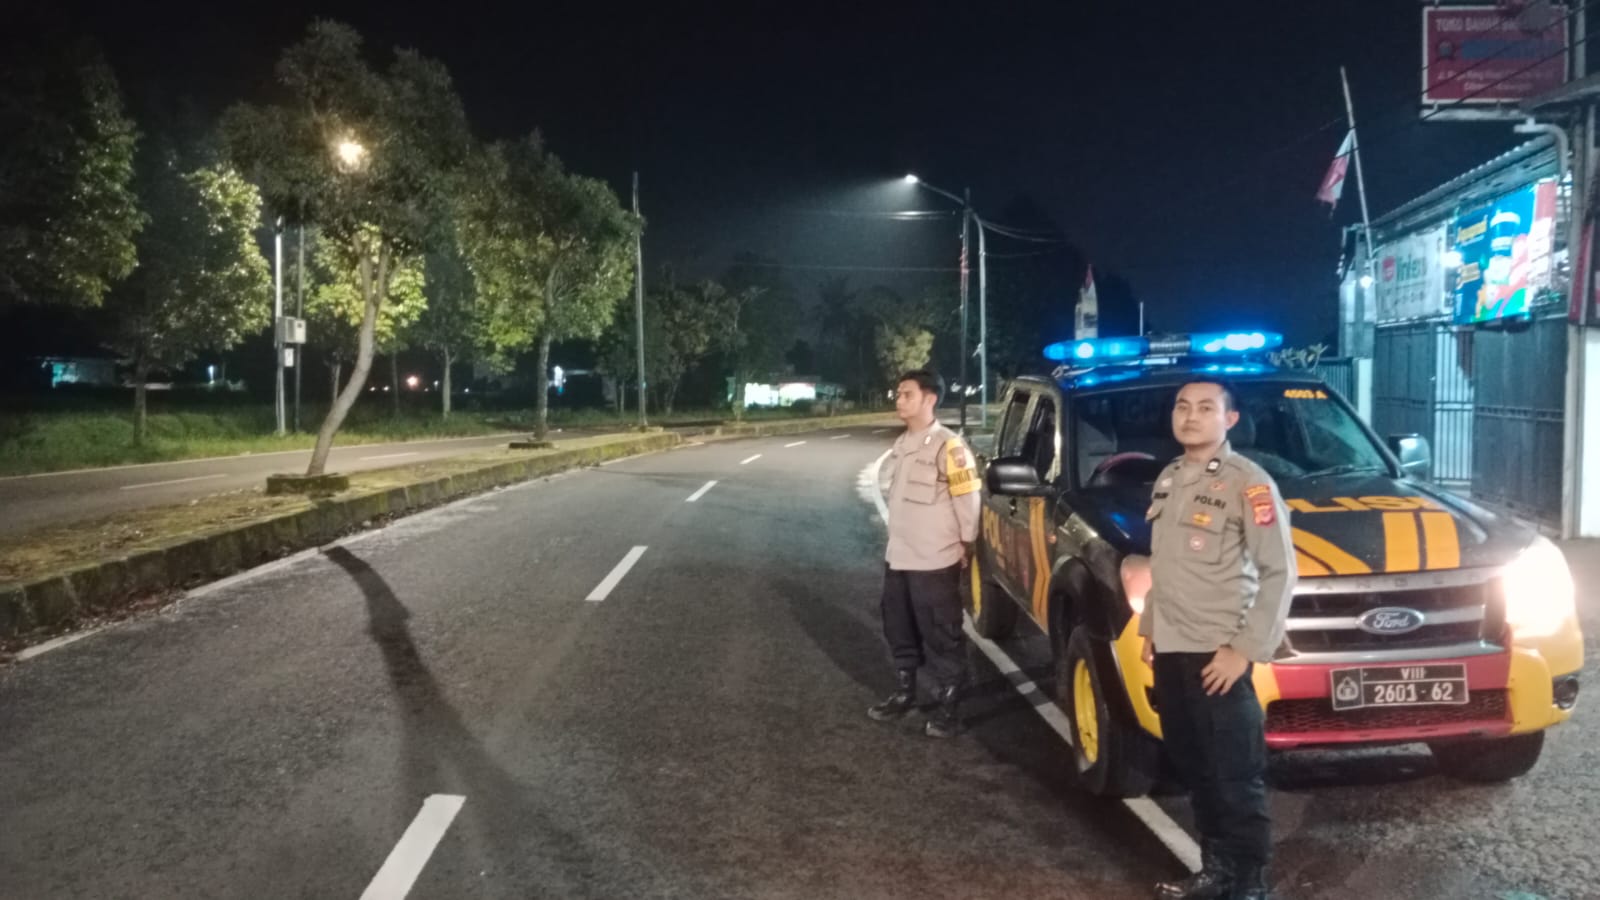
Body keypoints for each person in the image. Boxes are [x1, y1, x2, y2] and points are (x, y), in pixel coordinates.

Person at [1139, 378, 1296, 900]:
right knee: (1196, 767)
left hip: (1218, 653)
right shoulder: (1169, 478)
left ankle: (1249, 883)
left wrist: (1244, 651)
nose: (1190, 416)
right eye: (1182, 406)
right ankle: (1217, 871)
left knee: (1233, 773)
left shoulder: (1249, 484)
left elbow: (1280, 573)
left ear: (1229, 420)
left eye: (1206, 408)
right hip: (1173, 647)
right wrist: (1150, 629)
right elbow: (1165, 564)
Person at [866, 369, 981, 739]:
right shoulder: (902, 444)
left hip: (934, 559)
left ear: (929, 399)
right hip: (899, 556)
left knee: (941, 632)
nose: (899, 400)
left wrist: (966, 545)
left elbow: (968, 502)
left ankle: (950, 706)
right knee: (898, 627)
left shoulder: (950, 447)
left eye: (907, 394)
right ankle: (905, 692)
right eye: (898, 394)